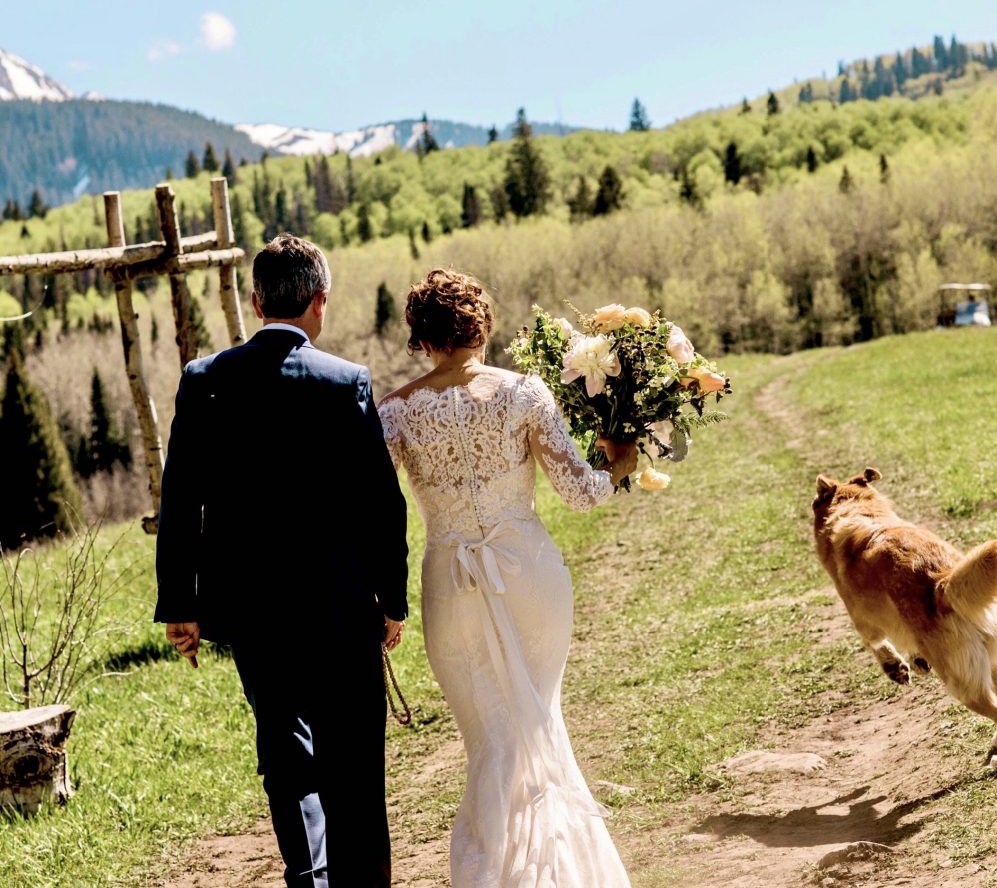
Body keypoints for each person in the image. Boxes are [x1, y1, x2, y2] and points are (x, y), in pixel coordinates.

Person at [154, 234, 409, 888]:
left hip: (253, 613)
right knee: (354, 765)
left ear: (254, 301)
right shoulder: (345, 382)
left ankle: (309, 878)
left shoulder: (204, 381)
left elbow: (180, 501)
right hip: (343, 609)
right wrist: (393, 600)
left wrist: (180, 607)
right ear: (320, 302)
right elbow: (382, 503)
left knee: (285, 757)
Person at [378, 268, 636, 888]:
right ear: (482, 325)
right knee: (537, 722)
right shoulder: (525, 393)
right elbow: (578, 492)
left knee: (489, 739)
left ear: (420, 337)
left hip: (450, 583)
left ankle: (493, 873)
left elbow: (369, 511)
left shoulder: (393, 412)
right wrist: (619, 466)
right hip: (531, 577)